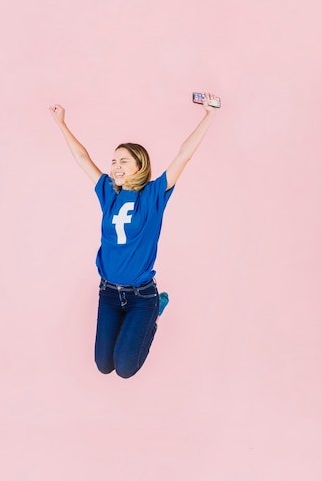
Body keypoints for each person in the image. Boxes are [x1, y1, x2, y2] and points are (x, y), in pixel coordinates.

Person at [49, 94, 219, 378]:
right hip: (109, 292)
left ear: (139, 166)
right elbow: (82, 157)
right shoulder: (108, 193)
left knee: (125, 369)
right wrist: (62, 124)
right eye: (114, 160)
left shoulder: (153, 195)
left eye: (123, 161)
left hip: (141, 295)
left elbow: (183, 155)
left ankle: (156, 308)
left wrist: (209, 116)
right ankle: (137, 320)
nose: (115, 165)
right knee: (104, 366)